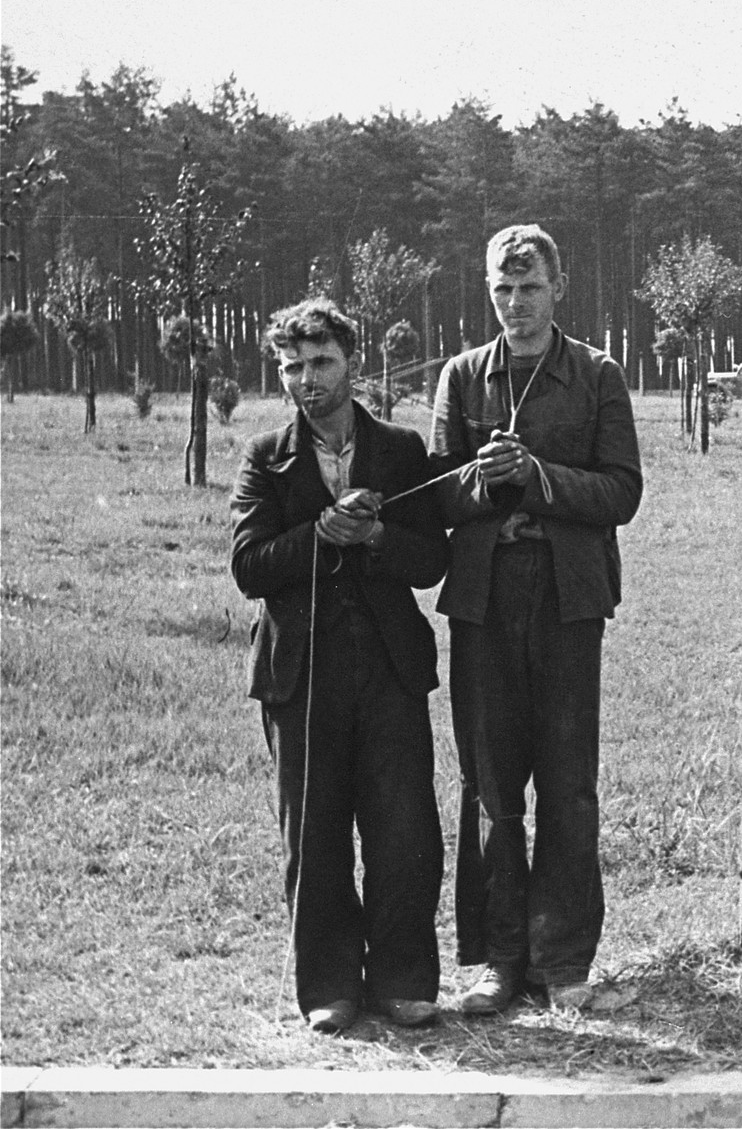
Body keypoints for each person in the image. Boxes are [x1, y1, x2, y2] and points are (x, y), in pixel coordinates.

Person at [430, 224, 642, 1014]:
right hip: (483, 605)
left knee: (566, 785)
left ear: (558, 289)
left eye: (530, 288)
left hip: (566, 603)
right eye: (502, 289)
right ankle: (497, 964)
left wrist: (540, 476)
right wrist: (478, 484)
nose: (515, 304)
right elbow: (438, 499)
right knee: (491, 788)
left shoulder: (596, 376)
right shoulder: (462, 378)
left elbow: (622, 491)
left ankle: (563, 964)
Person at [231, 298, 448, 1034]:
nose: (306, 379)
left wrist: (380, 535)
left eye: (320, 362)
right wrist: (322, 533)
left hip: (389, 667)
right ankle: (329, 984)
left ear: (352, 361)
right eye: (291, 366)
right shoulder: (266, 456)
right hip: (300, 673)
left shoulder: (401, 450)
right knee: (314, 831)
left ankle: (405, 977)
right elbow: (250, 567)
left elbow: (433, 560)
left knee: (403, 825)